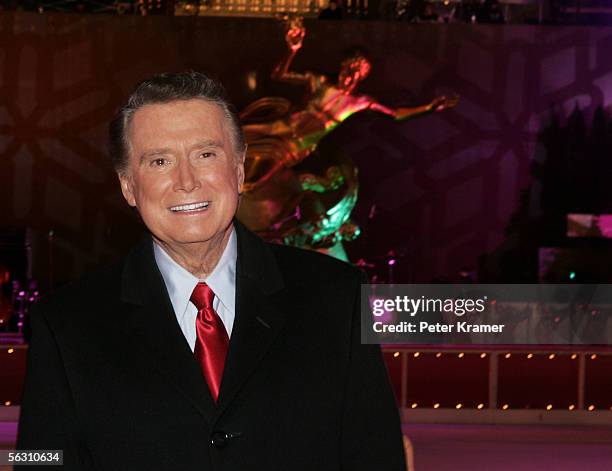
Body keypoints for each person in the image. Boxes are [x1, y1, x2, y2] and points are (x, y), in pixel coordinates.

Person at [16, 71, 407, 471]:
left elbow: (377, 457)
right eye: (160, 161)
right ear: (128, 186)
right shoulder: (66, 322)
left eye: (206, 155)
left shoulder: (337, 297)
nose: (186, 181)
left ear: (238, 170)